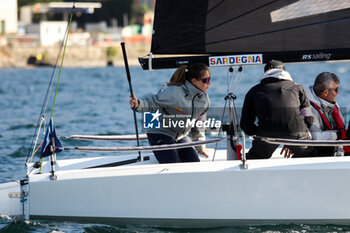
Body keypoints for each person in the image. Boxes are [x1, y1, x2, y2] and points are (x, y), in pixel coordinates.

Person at [129, 63, 211, 163]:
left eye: (210, 79)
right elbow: (153, 103)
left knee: (194, 163)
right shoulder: (173, 92)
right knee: (173, 163)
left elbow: (199, 123)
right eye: (206, 80)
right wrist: (138, 105)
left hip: (180, 136)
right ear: (194, 81)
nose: (209, 83)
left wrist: (200, 147)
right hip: (160, 133)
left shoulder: (204, 99)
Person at [240, 60, 313, 159]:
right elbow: (309, 117)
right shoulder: (298, 88)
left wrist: (260, 133)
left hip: (266, 134)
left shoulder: (253, 91)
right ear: (285, 72)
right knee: (307, 155)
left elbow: (245, 125)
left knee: (254, 158)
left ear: (265, 73)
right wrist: (291, 134)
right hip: (297, 133)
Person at [304, 72, 350, 156]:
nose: (338, 92)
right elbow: (316, 137)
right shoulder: (307, 108)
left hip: (332, 150)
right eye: (336, 90)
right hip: (316, 154)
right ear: (325, 92)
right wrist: (338, 134)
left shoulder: (332, 104)